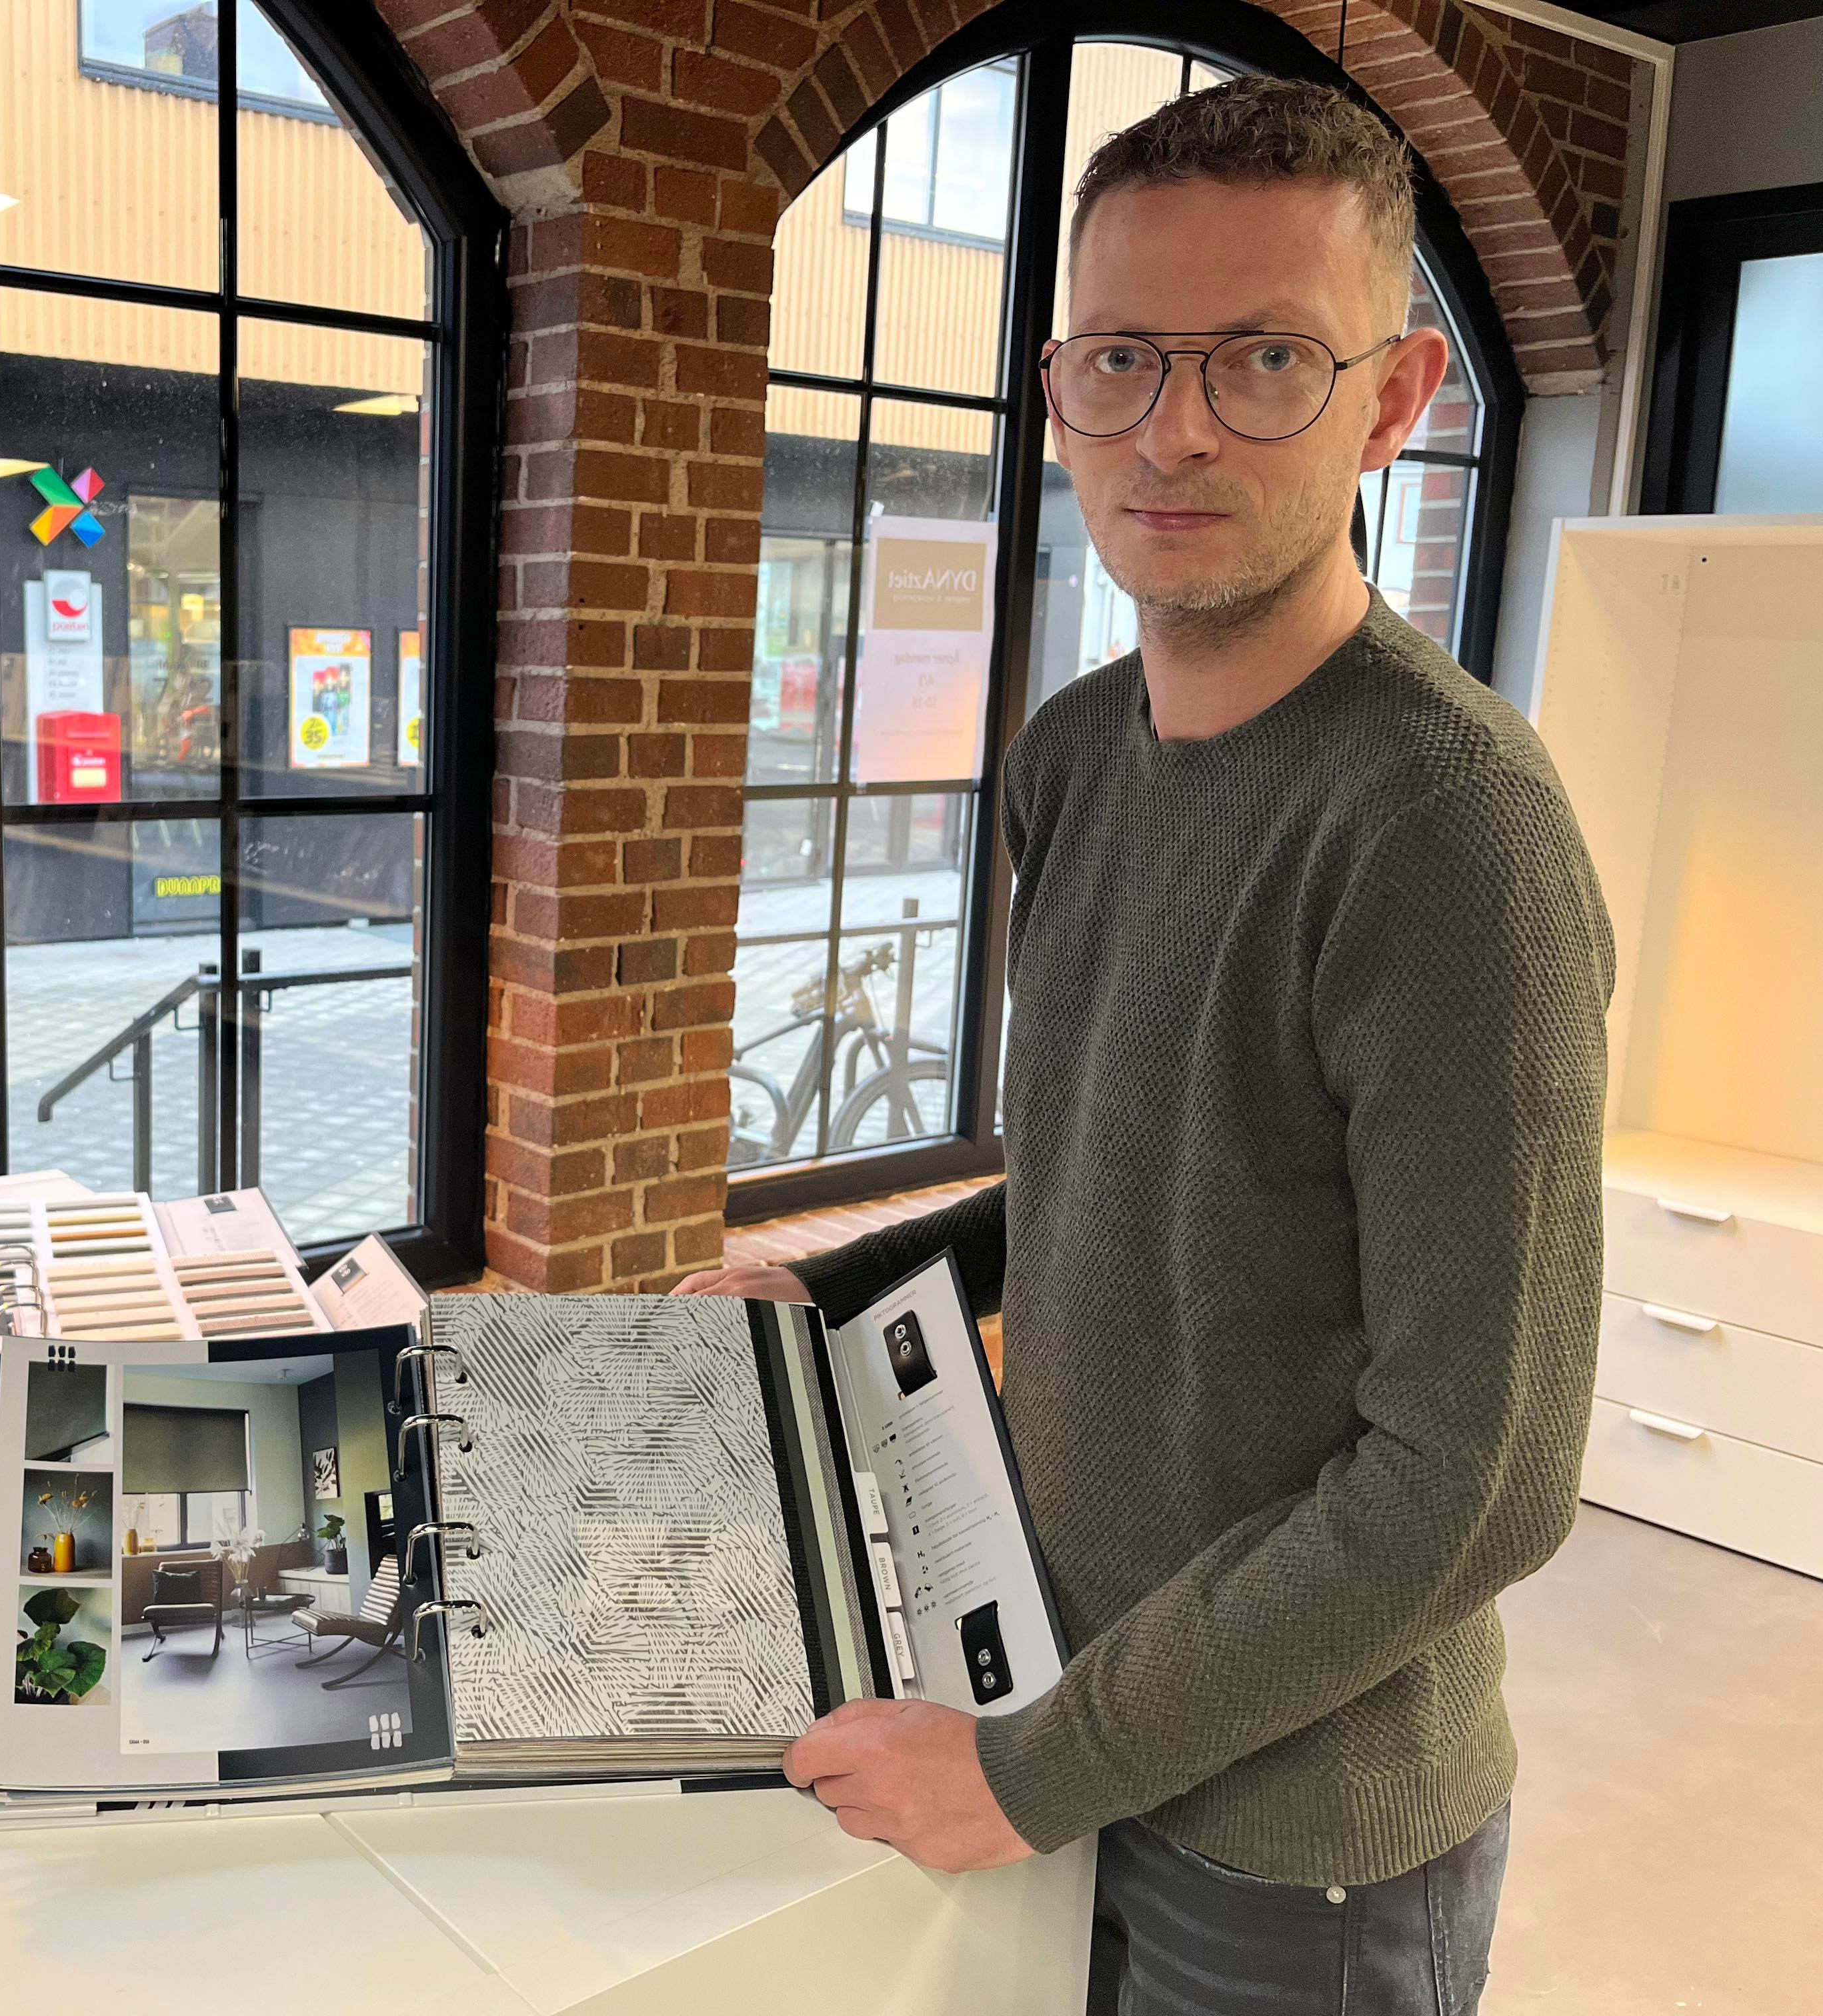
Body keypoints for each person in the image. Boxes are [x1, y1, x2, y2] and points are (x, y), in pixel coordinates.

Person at [675, 75, 1612, 2016]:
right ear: (1058, 393)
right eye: (1121, 359)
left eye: (1265, 357)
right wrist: (835, 1283)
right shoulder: (1077, 753)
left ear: (1394, 398)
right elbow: (1111, 1177)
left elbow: (1479, 1476)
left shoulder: (1451, 835)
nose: (1174, 430)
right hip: (1063, 1678)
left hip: (1298, 1839)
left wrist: (1029, 1772)